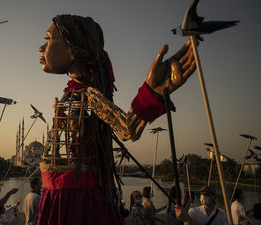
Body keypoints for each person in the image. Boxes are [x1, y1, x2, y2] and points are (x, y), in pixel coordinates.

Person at [37, 14, 196, 225]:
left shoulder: (90, 96)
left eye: (48, 39)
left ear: (72, 48)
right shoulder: (71, 95)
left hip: (75, 198)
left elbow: (127, 129)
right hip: (55, 193)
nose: (41, 47)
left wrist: (152, 92)